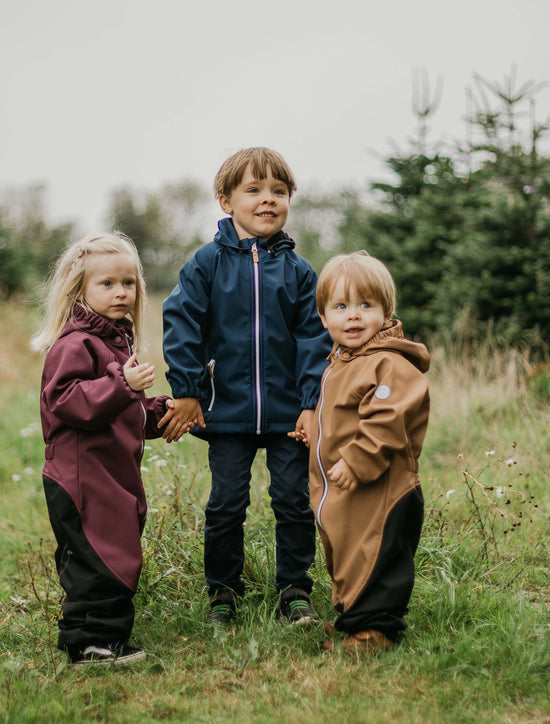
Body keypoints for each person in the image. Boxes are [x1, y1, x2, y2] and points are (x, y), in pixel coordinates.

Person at [161, 147, 332, 624]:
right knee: (226, 503)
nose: (267, 200)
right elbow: (181, 324)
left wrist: (310, 402)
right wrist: (189, 389)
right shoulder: (206, 264)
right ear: (225, 201)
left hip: (285, 413)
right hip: (227, 408)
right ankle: (222, 593)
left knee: (293, 501)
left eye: (278, 191)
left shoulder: (299, 272)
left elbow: (314, 338)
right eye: (253, 190)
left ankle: (295, 591)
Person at [31, 232, 178, 668]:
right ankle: (88, 644)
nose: (121, 292)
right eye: (107, 283)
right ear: (80, 290)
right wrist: (122, 385)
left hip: (112, 475)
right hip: (82, 479)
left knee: (118, 551)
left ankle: (108, 639)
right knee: (95, 559)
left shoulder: (116, 340)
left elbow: (119, 409)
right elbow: (66, 401)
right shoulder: (75, 343)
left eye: (128, 283)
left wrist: (158, 411)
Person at [294, 251, 430, 652]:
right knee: (349, 553)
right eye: (340, 306)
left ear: (386, 313)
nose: (353, 316)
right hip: (345, 488)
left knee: (376, 555)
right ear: (323, 318)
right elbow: (343, 414)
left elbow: (388, 418)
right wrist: (313, 431)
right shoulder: (341, 361)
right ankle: (354, 619)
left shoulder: (387, 363)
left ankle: (373, 632)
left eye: (365, 305)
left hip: (380, 486)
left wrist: (357, 459)